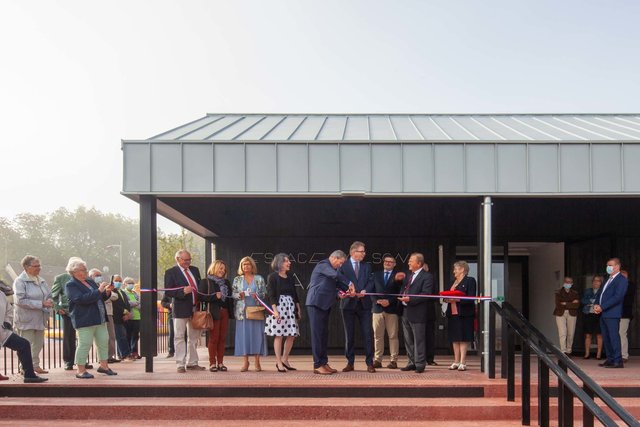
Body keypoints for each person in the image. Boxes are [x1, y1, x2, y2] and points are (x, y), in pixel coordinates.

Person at [65, 257, 117, 378]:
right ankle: (80, 370)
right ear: (74, 271)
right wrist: (99, 290)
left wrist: (107, 292)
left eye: (86, 269)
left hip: (99, 318)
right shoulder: (71, 285)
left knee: (104, 341)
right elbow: (81, 299)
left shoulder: (90, 282)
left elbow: (99, 297)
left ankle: (104, 366)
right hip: (84, 319)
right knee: (85, 343)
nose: (86, 272)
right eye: (83, 269)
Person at [305, 250, 352, 375]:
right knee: (317, 335)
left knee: (324, 335)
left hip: (324, 305)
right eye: (340, 263)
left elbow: (334, 286)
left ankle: (324, 362)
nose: (340, 266)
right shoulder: (323, 265)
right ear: (334, 258)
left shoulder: (332, 270)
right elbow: (336, 277)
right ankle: (317, 365)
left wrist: (346, 292)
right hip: (315, 303)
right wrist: (350, 283)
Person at [164, 249, 205, 373]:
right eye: (185, 260)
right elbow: (168, 291)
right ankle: (180, 364)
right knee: (179, 336)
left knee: (193, 338)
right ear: (178, 259)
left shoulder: (194, 270)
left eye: (189, 259)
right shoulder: (171, 272)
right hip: (180, 309)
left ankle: (192, 363)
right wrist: (182, 292)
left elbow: (200, 287)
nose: (188, 262)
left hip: (195, 308)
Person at [337, 241, 376, 373]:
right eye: (362, 251)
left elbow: (371, 281)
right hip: (348, 304)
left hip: (364, 305)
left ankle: (370, 363)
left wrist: (365, 290)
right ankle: (350, 363)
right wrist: (345, 292)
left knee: (367, 334)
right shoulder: (343, 265)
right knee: (349, 335)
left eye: (364, 251)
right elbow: (338, 282)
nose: (364, 254)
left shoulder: (367, 266)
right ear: (353, 252)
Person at [13, 255, 52, 375]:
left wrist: (50, 301)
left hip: (40, 318)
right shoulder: (20, 281)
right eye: (35, 266)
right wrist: (41, 303)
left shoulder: (41, 280)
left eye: (39, 266)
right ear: (26, 267)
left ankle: (35, 365)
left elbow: (49, 294)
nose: (38, 268)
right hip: (26, 319)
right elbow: (20, 300)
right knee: (26, 344)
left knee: (39, 344)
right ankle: (24, 367)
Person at [1, 285, 48, 383]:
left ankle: (29, 375)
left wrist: (7, 322)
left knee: (23, 344)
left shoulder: (1, 294)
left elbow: (9, 310)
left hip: (2, 331)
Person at [398, 253, 434, 374]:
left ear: (419, 264)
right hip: (405, 312)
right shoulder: (408, 276)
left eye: (411, 261)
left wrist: (410, 299)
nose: (408, 263)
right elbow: (404, 289)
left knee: (419, 339)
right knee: (408, 340)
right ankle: (411, 362)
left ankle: (420, 364)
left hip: (418, 312)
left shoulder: (427, 276)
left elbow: (426, 294)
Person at [265, 253, 301, 372]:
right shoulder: (272, 277)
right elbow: (271, 295)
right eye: (286, 261)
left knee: (292, 335)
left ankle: (285, 360)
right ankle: (278, 362)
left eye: (288, 261)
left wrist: (298, 308)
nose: (289, 263)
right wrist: (275, 311)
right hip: (279, 308)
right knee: (279, 335)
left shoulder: (290, 276)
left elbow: (295, 294)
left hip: (290, 307)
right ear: (279, 263)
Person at [232, 256, 268, 372]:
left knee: (257, 335)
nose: (246, 266)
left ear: (252, 266)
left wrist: (257, 295)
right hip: (242, 313)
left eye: (248, 264)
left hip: (256, 311)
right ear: (241, 267)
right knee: (244, 336)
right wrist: (239, 295)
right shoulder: (237, 279)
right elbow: (233, 294)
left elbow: (264, 293)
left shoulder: (259, 278)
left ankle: (257, 361)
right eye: (243, 264)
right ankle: (245, 362)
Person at [199, 260, 234, 372]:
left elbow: (230, 297)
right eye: (220, 268)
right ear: (214, 268)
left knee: (222, 338)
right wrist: (215, 296)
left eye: (224, 269)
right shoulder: (206, 281)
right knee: (214, 338)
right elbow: (201, 297)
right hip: (213, 313)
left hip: (225, 312)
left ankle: (220, 363)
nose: (222, 271)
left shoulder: (226, 282)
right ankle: (212, 363)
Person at [594, 257, 629, 368]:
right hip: (603, 313)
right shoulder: (607, 279)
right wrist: (596, 304)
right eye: (607, 265)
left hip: (612, 313)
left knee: (613, 337)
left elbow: (617, 297)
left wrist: (602, 307)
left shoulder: (622, 280)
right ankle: (610, 359)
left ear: (617, 266)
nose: (608, 267)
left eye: (610, 265)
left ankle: (618, 361)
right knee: (606, 336)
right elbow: (600, 293)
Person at [444, 261, 477, 371]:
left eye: (456, 269)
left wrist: (456, 299)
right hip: (453, 314)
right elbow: (447, 295)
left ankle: (463, 362)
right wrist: (446, 299)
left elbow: (471, 297)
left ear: (462, 269)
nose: (454, 271)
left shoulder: (470, 280)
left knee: (463, 337)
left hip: (465, 314)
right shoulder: (453, 282)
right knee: (455, 338)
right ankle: (456, 361)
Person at [371, 255, 402, 369]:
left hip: (391, 309)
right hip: (377, 309)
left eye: (391, 261)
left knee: (393, 336)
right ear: (383, 263)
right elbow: (371, 290)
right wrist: (377, 301)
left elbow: (400, 292)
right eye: (386, 261)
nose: (388, 263)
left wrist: (389, 301)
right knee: (377, 336)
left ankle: (393, 361)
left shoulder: (398, 276)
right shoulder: (375, 275)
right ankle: (378, 360)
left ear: (394, 264)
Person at [89, 269, 119, 363]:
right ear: (91, 276)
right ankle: (100, 359)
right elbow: (94, 297)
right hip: (94, 314)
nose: (99, 277)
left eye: (100, 275)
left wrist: (107, 291)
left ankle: (108, 357)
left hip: (107, 314)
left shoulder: (103, 285)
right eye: (97, 275)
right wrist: (102, 291)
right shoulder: (90, 286)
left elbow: (114, 296)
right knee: (93, 339)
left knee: (110, 336)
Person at [553, 276, 580, 356]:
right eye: (566, 282)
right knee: (562, 333)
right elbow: (558, 305)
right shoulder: (558, 292)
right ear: (564, 282)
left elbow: (577, 305)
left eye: (569, 282)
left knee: (571, 333)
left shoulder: (575, 293)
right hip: (560, 313)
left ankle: (569, 351)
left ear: (572, 283)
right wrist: (571, 303)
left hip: (572, 313)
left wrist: (565, 303)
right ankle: (563, 351)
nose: (568, 283)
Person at [110, 275, 133, 361]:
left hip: (124, 318)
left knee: (123, 335)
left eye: (120, 281)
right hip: (116, 317)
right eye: (116, 281)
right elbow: (115, 305)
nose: (118, 282)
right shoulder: (112, 291)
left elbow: (127, 304)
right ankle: (125, 354)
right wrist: (124, 311)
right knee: (121, 336)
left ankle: (121, 354)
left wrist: (128, 313)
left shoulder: (123, 292)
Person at [581, 276, 603, 359]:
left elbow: (602, 302)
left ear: (601, 283)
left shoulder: (602, 291)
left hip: (598, 315)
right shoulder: (587, 291)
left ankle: (598, 354)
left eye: (598, 281)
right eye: (594, 280)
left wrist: (591, 302)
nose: (596, 282)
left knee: (599, 335)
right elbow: (583, 300)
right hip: (588, 313)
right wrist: (593, 301)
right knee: (588, 335)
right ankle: (587, 354)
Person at [123, 277, 141, 359]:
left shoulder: (135, 293)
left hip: (137, 317)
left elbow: (140, 303)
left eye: (132, 283)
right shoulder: (124, 293)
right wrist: (136, 303)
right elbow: (127, 303)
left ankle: (134, 352)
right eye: (129, 283)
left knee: (136, 336)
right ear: (125, 284)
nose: (131, 285)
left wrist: (136, 303)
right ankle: (128, 352)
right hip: (129, 317)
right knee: (128, 335)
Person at [619, 270, 635, 362]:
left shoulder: (630, 285)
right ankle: (616, 354)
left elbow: (627, 299)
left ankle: (624, 355)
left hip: (625, 313)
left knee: (622, 334)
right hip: (615, 313)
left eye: (624, 276)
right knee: (615, 334)